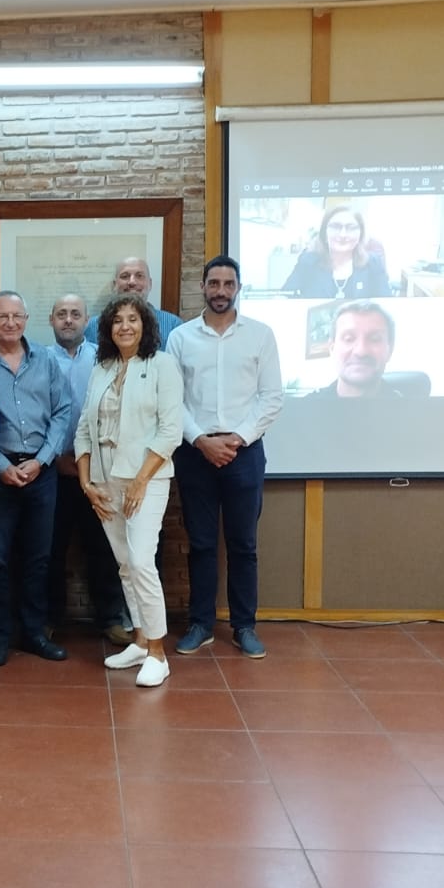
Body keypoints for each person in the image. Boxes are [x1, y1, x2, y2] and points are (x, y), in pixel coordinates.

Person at [166, 256, 283, 659]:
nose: (220, 291)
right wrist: (201, 439)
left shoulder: (260, 335)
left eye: (227, 284)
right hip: (195, 452)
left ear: (238, 288)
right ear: (203, 286)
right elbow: (172, 399)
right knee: (199, 543)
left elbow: (271, 398)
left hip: (244, 453)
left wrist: (237, 438)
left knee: (243, 545)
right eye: (213, 283)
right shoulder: (181, 338)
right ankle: (200, 624)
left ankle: (244, 626)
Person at [76, 293, 184, 687]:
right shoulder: (101, 367)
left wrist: (141, 480)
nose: (125, 326)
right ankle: (140, 640)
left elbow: (171, 431)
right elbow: (85, 428)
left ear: (146, 325)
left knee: (141, 563)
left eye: (133, 319)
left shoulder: (162, 365)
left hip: (147, 481)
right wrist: (87, 483)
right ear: (107, 328)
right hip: (105, 481)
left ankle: (158, 652)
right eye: (117, 320)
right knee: (125, 563)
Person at [0, 291, 71, 665]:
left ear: (27, 319)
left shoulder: (45, 359)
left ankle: (33, 632)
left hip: (41, 472)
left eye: (17, 316)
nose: (10, 323)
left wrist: (43, 460)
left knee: (38, 558)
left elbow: (62, 412)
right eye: (3, 317)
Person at [46, 293, 131, 645]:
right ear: (51, 320)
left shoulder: (105, 360)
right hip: (52, 469)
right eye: (61, 314)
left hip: (98, 471)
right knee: (50, 550)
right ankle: (49, 619)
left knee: (104, 547)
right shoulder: (38, 359)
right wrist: (55, 458)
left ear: (87, 321)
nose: (68, 320)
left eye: (75, 314)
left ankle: (110, 618)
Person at [281, 206, 391, 299]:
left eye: (351, 228)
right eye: (335, 227)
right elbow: (285, 298)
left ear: (360, 234)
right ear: (324, 233)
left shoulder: (373, 263)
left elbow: (385, 304)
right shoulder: (308, 261)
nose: (343, 234)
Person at [310, 300, 400, 398]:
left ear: (390, 350)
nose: (361, 351)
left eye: (374, 339)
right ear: (332, 349)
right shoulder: (304, 409)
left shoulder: (408, 410)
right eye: (349, 339)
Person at [83, 257, 183, 344]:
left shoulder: (173, 325)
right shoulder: (92, 327)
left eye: (139, 276)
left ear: (150, 283)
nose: (132, 282)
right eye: (125, 276)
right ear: (114, 285)